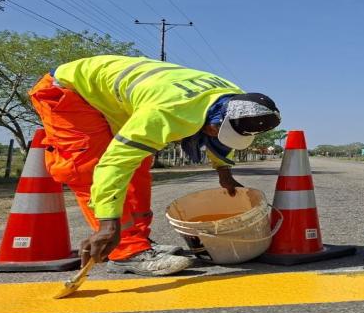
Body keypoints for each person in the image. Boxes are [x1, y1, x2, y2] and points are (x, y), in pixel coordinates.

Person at [29, 55, 281, 276]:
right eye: (219, 132)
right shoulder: (167, 112)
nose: (217, 137)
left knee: (138, 163)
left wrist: (223, 171)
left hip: (111, 98)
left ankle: (138, 241)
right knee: (89, 166)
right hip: (69, 92)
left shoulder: (230, 98)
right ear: (214, 123)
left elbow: (218, 137)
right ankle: (124, 251)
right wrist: (107, 223)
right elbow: (113, 164)